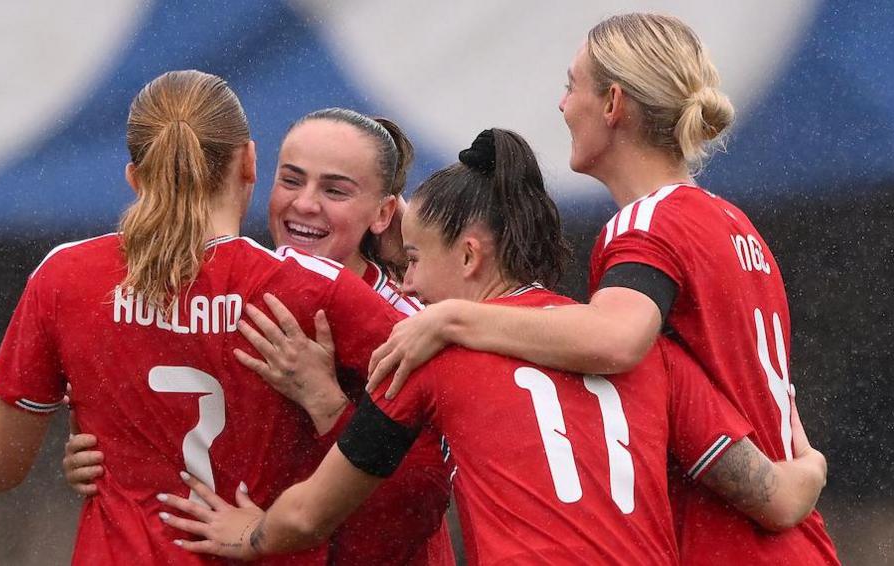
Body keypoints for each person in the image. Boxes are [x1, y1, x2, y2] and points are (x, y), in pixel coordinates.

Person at [153, 129, 827, 565]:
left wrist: (250, 534)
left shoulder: (427, 352)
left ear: (471, 255)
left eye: (415, 259)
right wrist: (814, 464)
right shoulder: (648, 353)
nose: (407, 283)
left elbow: (308, 516)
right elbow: (775, 497)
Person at [363, 13, 839, 565]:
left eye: (572, 86)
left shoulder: (647, 223)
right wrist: (800, 478)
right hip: (797, 542)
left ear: (613, 103)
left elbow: (615, 340)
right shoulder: (734, 224)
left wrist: (448, 319)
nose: (562, 105)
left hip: (731, 548)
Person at [0, 71, 412, 565]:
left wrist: (72, 403)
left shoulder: (66, 277)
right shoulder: (313, 286)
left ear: (134, 177)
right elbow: (432, 427)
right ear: (249, 162)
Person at [59, 107, 453, 565]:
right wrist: (105, 452)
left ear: (383, 213)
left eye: (334, 190)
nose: (305, 204)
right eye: (291, 180)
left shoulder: (406, 327)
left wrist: (326, 403)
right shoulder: (243, 290)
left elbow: (421, 497)